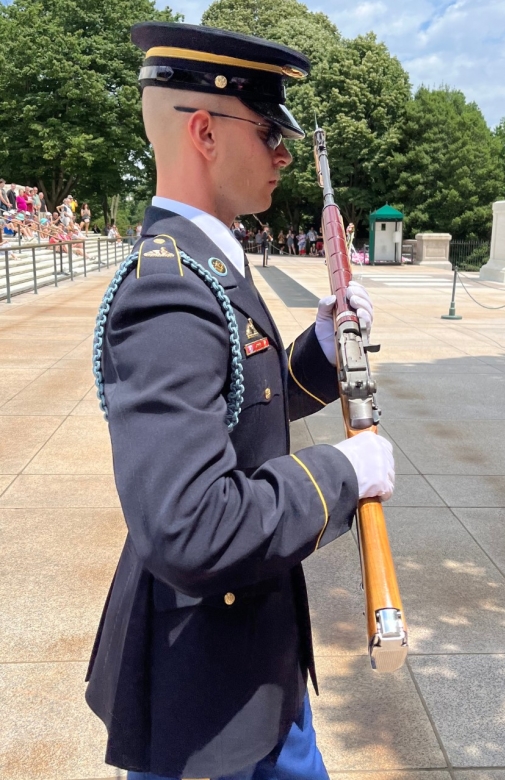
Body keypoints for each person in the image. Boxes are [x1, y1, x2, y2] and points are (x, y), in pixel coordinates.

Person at [85, 22, 393, 780]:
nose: (285, 155)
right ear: (204, 131)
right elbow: (190, 525)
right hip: (206, 704)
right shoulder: (167, 289)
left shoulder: (206, 261)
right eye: (269, 132)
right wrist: (342, 474)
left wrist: (318, 348)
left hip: (255, 661)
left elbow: (243, 407)